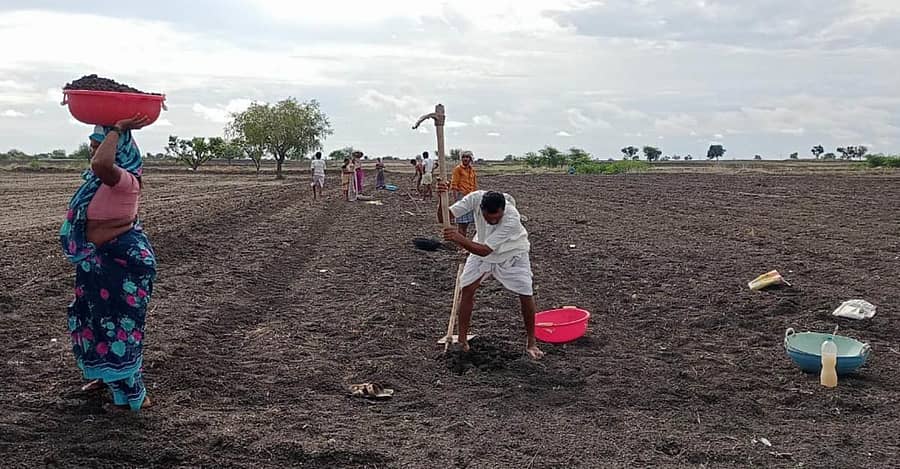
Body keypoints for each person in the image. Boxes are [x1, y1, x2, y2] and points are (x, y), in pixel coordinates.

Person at [60, 114, 158, 411]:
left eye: (98, 145)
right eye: (91, 145)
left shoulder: (125, 180)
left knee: (120, 326)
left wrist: (116, 129)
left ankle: (134, 393)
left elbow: (101, 163)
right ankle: (108, 377)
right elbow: (97, 165)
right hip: (96, 262)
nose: (93, 151)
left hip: (123, 263)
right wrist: (110, 132)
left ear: (121, 150)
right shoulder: (95, 183)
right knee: (95, 321)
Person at [436, 182, 543, 360]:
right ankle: (462, 341)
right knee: (467, 289)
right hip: (480, 246)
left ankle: (531, 343)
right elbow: (443, 217)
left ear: (503, 210)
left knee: (525, 292)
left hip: (512, 252)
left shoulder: (511, 217)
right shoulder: (475, 199)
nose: (492, 221)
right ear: (480, 209)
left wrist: (459, 238)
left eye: (496, 218)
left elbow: (485, 250)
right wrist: (442, 198)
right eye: (488, 218)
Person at [450, 150, 478, 237]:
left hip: (471, 197)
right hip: (462, 197)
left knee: (468, 223)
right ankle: (461, 245)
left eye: (467, 157)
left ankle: (464, 243)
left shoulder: (472, 170)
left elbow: (474, 184)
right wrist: (456, 201)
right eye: (463, 157)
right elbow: (454, 185)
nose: (465, 159)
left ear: (470, 159)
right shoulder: (458, 169)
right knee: (462, 224)